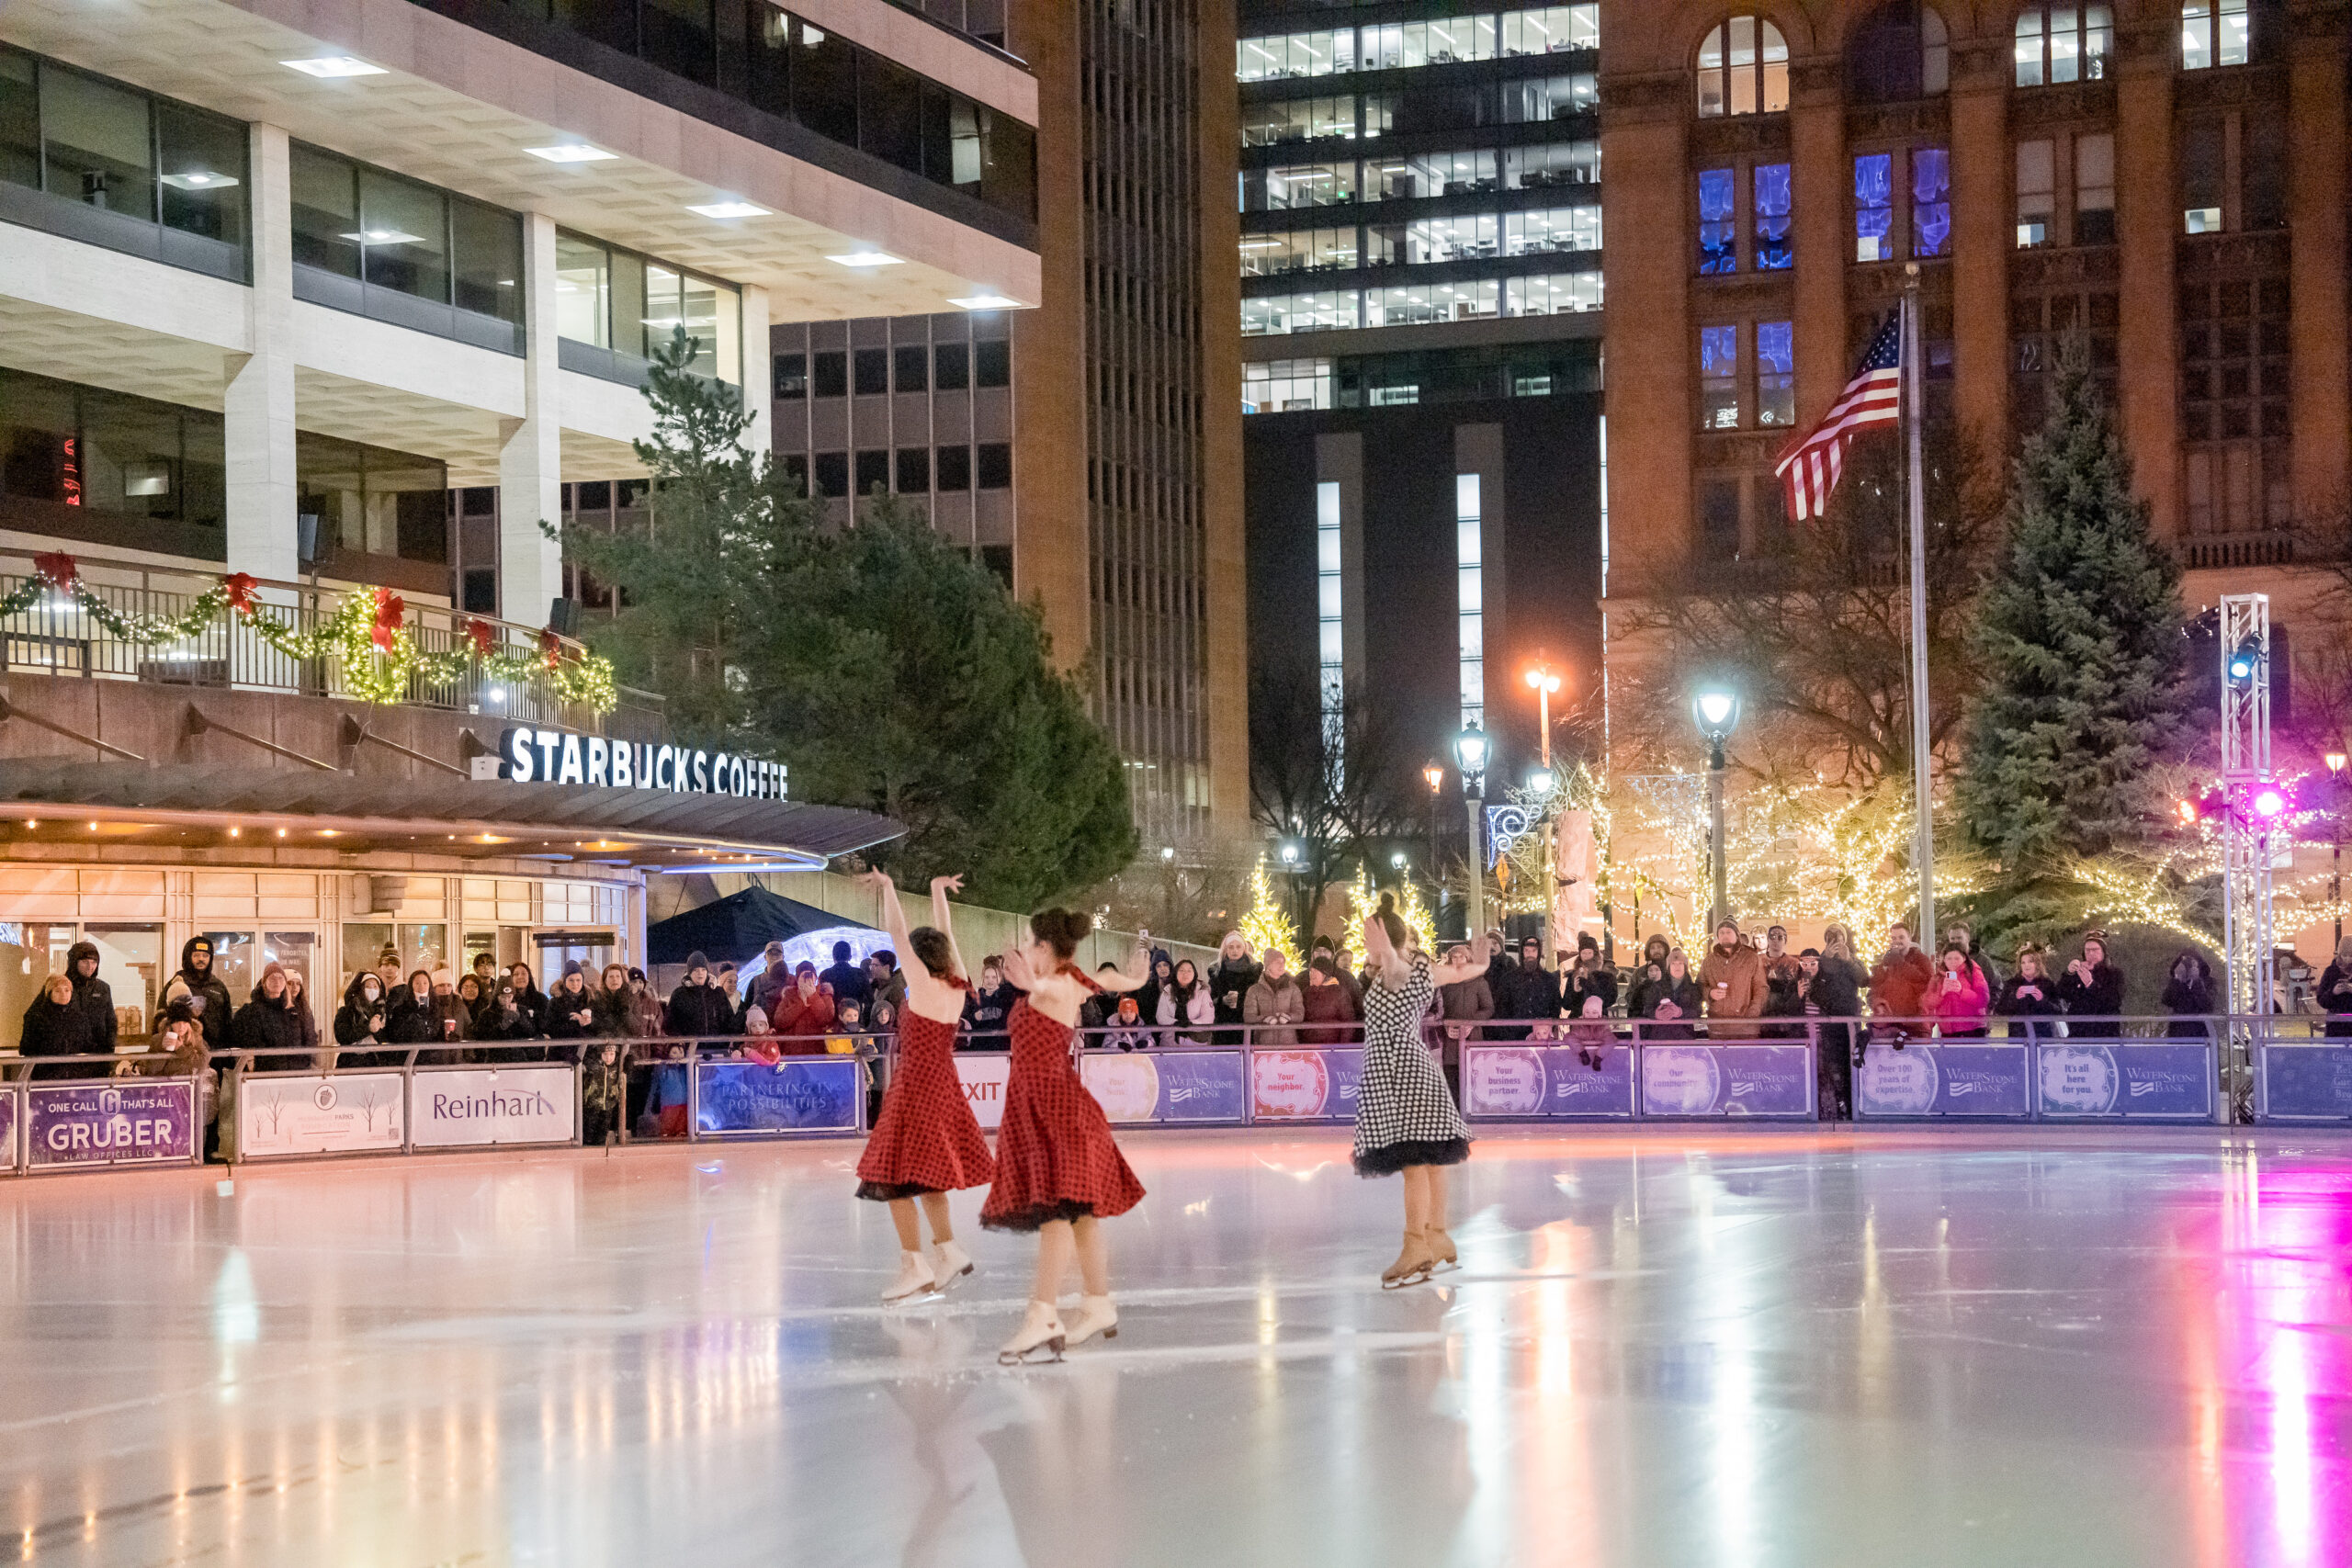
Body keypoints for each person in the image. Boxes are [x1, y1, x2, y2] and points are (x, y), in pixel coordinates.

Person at [982, 908, 1152, 1363]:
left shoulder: (1056, 986)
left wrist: (1033, 985)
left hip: (1056, 1112)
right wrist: (1133, 980)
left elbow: (1051, 988)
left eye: (1027, 942)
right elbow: (1106, 980)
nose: (1021, 949)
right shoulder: (1073, 979)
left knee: (1057, 1211)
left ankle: (1043, 1313)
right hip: (1048, 1110)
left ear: (1042, 948)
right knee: (1077, 1214)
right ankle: (1097, 1303)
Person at [853, 872, 998, 1303]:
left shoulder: (924, 985)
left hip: (916, 1086)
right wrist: (936, 890)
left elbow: (896, 931)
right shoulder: (958, 982)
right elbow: (948, 932)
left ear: (917, 957)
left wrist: (889, 887)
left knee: (893, 1176)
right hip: (943, 1085)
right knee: (929, 1176)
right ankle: (947, 1249)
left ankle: (914, 1264)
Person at [1354, 893, 1487, 1290]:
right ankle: (1437, 1233)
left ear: (1384, 939)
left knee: (1414, 1161)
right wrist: (1480, 962)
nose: (1365, 944)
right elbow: (1462, 973)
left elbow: (1395, 966)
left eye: (1368, 937)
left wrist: (1387, 952)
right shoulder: (1422, 970)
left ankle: (1416, 1244)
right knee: (1430, 1160)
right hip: (1415, 1069)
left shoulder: (1399, 970)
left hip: (1402, 1073)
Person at [157, 936, 233, 1058]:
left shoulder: (218, 987)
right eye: (196, 955)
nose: (201, 959)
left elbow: (227, 1020)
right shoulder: (176, 985)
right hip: (184, 1053)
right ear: (188, 957)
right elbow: (161, 1018)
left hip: (216, 1052)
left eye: (205, 956)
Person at [231, 963, 309, 1071]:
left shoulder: (293, 1011)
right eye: (272, 978)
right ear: (264, 982)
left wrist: (305, 1064)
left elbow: (305, 1039)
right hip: (264, 1073)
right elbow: (242, 1042)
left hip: (294, 1072)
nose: (277, 981)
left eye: (281, 978)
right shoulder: (250, 1011)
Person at [1870, 923, 1935, 1050]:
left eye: (1901, 937)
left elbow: (1927, 983)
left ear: (1909, 938)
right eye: (1894, 938)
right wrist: (1878, 1004)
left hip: (1915, 1026)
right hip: (1890, 1025)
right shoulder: (1887, 962)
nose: (1897, 941)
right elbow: (1874, 987)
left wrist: (1902, 963)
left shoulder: (1921, 960)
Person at [17, 973, 96, 1079]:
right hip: (46, 1078)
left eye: (67, 990)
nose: (63, 994)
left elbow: (88, 1046)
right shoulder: (36, 1018)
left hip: (76, 1079)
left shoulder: (80, 1018)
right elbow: (26, 1049)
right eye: (58, 991)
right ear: (50, 993)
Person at [1489, 936, 1560, 1042]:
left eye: (1534, 950)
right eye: (1526, 950)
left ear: (1539, 952)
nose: (1530, 954)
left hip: (1541, 1038)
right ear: (1521, 953)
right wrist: (1506, 1033)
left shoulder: (1549, 979)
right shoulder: (1508, 979)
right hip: (1514, 1038)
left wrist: (1548, 1028)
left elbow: (1555, 1007)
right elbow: (1501, 1008)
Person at [1699, 919, 1765, 1027]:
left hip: (1744, 1025)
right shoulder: (1709, 961)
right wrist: (1710, 993)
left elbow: (1761, 988)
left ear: (1737, 935)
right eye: (1721, 933)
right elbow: (1700, 985)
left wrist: (1752, 1014)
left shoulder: (1751, 958)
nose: (1725, 935)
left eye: (1728, 932)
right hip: (1717, 1024)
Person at [2055, 932, 2124, 1032]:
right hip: (2078, 1032)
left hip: (2105, 1032)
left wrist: (2091, 984)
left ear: (2103, 952)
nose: (2091, 954)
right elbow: (2060, 993)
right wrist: (2068, 974)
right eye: (2087, 951)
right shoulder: (2078, 972)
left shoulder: (2114, 974)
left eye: (2095, 950)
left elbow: (2113, 1000)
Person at [62, 941, 119, 1058]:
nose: (90, 966)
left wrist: (109, 1050)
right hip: (68, 1058)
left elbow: (111, 1022)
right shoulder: (60, 987)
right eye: (85, 962)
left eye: (94, 962)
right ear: (74, 962)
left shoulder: (103, 988)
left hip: (98, 1057)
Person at [1634, 948, 1703, 1041]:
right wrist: (1656, 1014)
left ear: (1685, 966)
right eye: (1673, 964)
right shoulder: (1656, 987)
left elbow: (1697, 1011)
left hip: (1685, 1038)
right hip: (1660, 1037)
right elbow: (1646, 1009)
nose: (1677, 966)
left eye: (1680, 963)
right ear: (1668, 967)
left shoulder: (1693, 989)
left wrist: (1680, 1012)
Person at [665, 952, 738, 1040]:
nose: (700, 973)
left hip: (717, 1048)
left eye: (703, 969)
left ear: (707, 971)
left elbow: (730, 1021)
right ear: (689, 973)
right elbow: (669, 1025)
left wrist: (730, 1043)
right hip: (690, 1049)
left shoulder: (718, 993)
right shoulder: (679, 994)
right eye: (696, 970)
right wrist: (680, 1043)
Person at [1995, 945, 2066, 1034]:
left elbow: (2059, 1012)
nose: (2026, 965)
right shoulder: (2012, 984)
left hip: (2042, 1036)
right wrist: (2014, 998)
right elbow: (2000, 1011)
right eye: (2023, 962)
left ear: (2037, 964)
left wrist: (2042, 1000)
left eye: (2030, 961)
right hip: (2018, 1037)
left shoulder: (2047, 984)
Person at [1927, 942, 1990, 1037]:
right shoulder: (1938, 977)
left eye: (1957, 958)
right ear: (1944, 959)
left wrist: (1961, 991)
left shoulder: (1973, 972)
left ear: (1964, 958)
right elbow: (1927, 1002)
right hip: (1948, 1031)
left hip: (1973, 1029)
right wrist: (1942, 993)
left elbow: (1983, 999)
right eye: (1949, 958)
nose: (1953, 962)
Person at [1244, 949, 1305, 1047]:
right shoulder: (1254, 990)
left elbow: (1300, 1013)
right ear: (1268, 966)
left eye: (1283, 962)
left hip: (1288, 1044)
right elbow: (1248, 1017)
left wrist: (1289, 1017)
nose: (1281, 965)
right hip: (1263, 1045)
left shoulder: (1293, 988)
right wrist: (1264, 1019)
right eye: (1277, 962)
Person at [1206, 931, 1260, 1044]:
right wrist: (1222, 1000)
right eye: (1231, 947)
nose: (1234, 950)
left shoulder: (1254, 972)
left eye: (1238, 947)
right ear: (1225, 949)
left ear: (1244, 948)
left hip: (1246, 1023)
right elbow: (1209, 999)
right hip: (1222, 1024)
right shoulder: (1216, 972)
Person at [334, 972, 392, 1067]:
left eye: (375, 986)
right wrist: (367, 1028)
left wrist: (377, 1031)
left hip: (375, 1063)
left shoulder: (383, 1014)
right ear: (361, 989)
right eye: (368, 986)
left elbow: (387, 1038)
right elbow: (342, 1037)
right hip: (350, 1063)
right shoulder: (346, 1011)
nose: (372, 990)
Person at [1302, 954, 1360, 1044]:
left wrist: (1342, 1046)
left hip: (1332, 1045)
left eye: (1315, 971)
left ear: (1325, 974)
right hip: (1310, 1046)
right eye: (1311, 971)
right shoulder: (1306, 993)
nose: (1312, 974)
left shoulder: (1339, 992)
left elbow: (1348, 1020)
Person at [962, 958, 1019, 1050]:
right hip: (979, 1048)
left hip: (1001, 1048)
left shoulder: (1006, 997)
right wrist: (974, 1018)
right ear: (983, 979)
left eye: (994, 977)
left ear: (999, 978)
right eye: (987, 977)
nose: (990, 981)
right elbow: (968, 1022)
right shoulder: (976, 998)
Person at [774, 963, 836, 1044]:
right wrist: (801, 1004)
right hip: (793, 1049)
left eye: (810, 975)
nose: (807, 979)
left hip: (818, 1050)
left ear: (816, 978)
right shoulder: (789, 995)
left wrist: (813, 997)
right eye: (803, 976)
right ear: (797, 979)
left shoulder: (824, 995)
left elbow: (826, 1019)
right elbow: (779, 1022)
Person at [545, 962, 600, 1053]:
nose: (575, 984)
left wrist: (590, 1021)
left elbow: (599, 1025)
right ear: (565, 981)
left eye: (578, 980)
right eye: (571, 980)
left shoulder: (590, 1000)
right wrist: (575, 1023)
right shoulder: (555, 1002)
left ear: (583, 981)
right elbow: (549, 1027)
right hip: (561, 1052)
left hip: (587, 1052)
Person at [1156, 958, 1215, 1041]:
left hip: (1195, 1044)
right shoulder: (1167, 991)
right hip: (1170, 1042)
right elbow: (1161, 1016)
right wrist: (1175, 1023)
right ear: (1176, 973)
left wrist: (1191, 1023)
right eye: (1181, 970)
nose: (1185, 974)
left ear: (1194, 973)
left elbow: (1208, 1016)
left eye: (1189, 971)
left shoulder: (1203, 992)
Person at [385, 970, 441, 1056]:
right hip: (407, 1056)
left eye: (425, 983)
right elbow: (394, 1035)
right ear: (411, 985)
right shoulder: (400, 1009)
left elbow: (438, 1034)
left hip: (430, 1058)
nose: (421, 986)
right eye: (417, 983)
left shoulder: (436, 1008)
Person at [2161, 951, 2216, 1039]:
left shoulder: (2208, 982)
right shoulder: (2176, 982)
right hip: (2178, 1032)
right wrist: (2177, 978)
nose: (2188, 967)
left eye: (2192, 963)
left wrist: (2197, 981)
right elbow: (2167, 1000)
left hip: (2200, 1032)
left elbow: (2208, 1006)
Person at [1562, 937, 1618, 1019]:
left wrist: (1588, 985)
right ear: (1579, 954)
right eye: (1583, 953)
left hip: (1599, 1019)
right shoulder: (1574, 975)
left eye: (1589, 953)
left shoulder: (1605, 974)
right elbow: (1567, 1005)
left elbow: (1610, 1000)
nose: (1586, 956)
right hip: (1578, 1021)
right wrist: (1576, 992)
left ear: (1595, 954)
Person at [283, 969, 323, 1069]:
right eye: (290, 983)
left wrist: (310, 1058)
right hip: (284, 1064)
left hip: (304, 1063)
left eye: (298, 984)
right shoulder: (278, 1008)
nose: (295, 987)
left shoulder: (304, 1008)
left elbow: (310, 1035)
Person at [2316, 937, 2352, 1037]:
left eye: (2351, 956)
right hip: (2335, 1026)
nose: (2348, 959)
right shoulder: (2331, 972)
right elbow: (2321, 1000)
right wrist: (2333, 992)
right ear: (2340, 954)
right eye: (2345, 955)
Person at [820, 941, 871, 1010]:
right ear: (850, 957)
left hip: (832, 1019)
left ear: (833, 957)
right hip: (854, 1018)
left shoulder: (825, 974)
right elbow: (870, 999)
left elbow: (821, 1002)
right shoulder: (860, 974)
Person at [1568, 993, 1614, 1070]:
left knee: (1612, 1040)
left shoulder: (1603, 1025)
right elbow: (1569, 1038)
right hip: (1582, 1055)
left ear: (1599, 1015)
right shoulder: (1579, 1025)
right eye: (1587, 1012)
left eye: (1594, 1012)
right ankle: (1584, 1056)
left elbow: (1611, 1041)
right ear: (1583, 1014)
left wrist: (1599, 1057)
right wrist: (1582, 1052)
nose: (1590, 1015)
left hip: (1599, 1055)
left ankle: (1597, 1060)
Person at [748, 941, 791, 1018]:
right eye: (770, 954)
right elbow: (747, 1008)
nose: (774, 957)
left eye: (777, 954)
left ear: (783, 957)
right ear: (765, 957)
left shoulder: (792, 980)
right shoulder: (755, 981)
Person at [507, 963, 548, 1038]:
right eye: (516, 974)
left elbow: (545, 1025)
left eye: (524, 974)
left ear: (529, 976)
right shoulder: (506, 1000)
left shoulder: (541, 999)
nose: (520, 977)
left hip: (534, 1044)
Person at [866, 950, 907, 1022]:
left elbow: (899, 1019)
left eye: (875, 965)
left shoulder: (896, 990)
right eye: (871, 965)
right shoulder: (878, 986)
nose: (871, 969)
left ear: (886, 967)